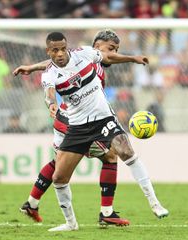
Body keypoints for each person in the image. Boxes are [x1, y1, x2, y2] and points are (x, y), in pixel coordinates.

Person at [40, 32, 168, 232]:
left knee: (126, 152)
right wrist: (51, 105)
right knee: (58, 178)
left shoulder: (83, 53)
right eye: (55, 50)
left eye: (63, 48)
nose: (60, 53)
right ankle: (71, 223)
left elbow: (107, 57)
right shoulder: (48, 74)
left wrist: (132, 58)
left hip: (103, 119)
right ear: (49, 52)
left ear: (68, 47)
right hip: (77, 126)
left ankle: (155, 203)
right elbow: (49, 94)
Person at [13, 30, 131, 226]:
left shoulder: (79, 59)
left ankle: (32, 203)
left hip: (65, 119)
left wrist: (32, 67)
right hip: (74, 122)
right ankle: (106, 213)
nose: (114, 53)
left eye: (116, 50)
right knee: (110, 156)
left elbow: (53, 62)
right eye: (110, 48)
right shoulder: (88, 59)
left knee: (59, 162)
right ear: (97, 47)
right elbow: (55, 64)